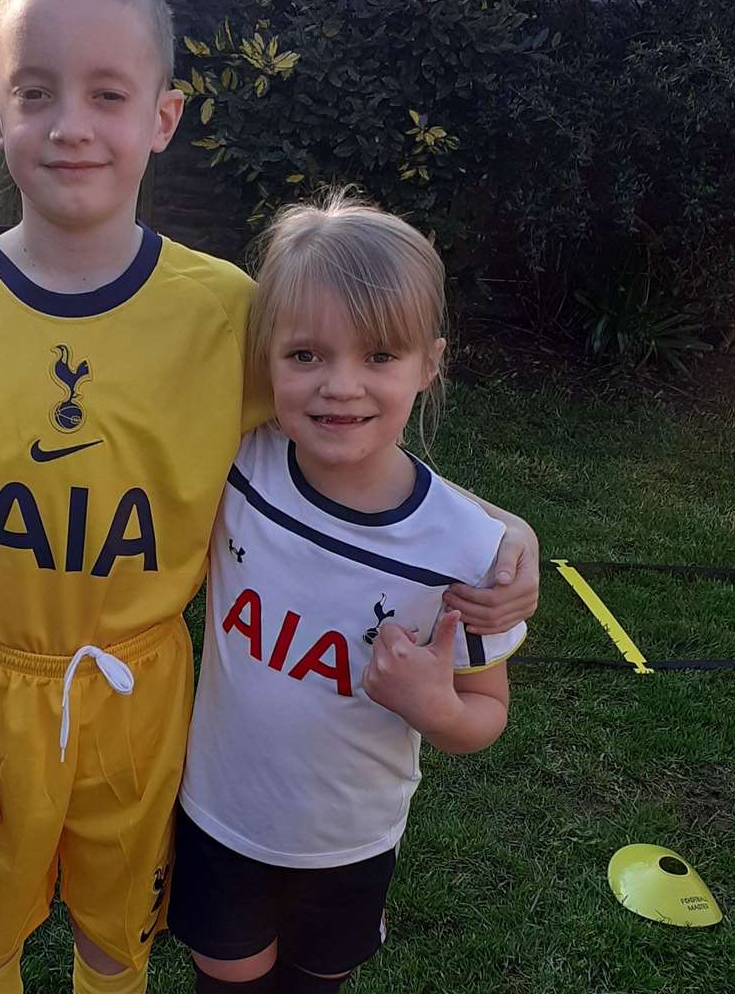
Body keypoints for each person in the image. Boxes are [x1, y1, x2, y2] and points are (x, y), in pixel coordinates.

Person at [0, 0, 538, 994]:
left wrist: (505, 533)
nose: (71, 124)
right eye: (35, 91)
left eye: (107, 93)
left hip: (144, 702)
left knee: (110, 940)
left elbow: (352, 431)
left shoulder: (225, 313)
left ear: (161, 117)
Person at [170, 190, 527, 993]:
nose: (339, 386)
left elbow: (486, 713)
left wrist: (433, 707)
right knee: (224, 979)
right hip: (217, 816)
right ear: (265, 358)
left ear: (428, 364)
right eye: (305, 355)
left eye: (378, 357)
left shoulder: (467, 553)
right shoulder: (238, 466)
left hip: (348, 843)